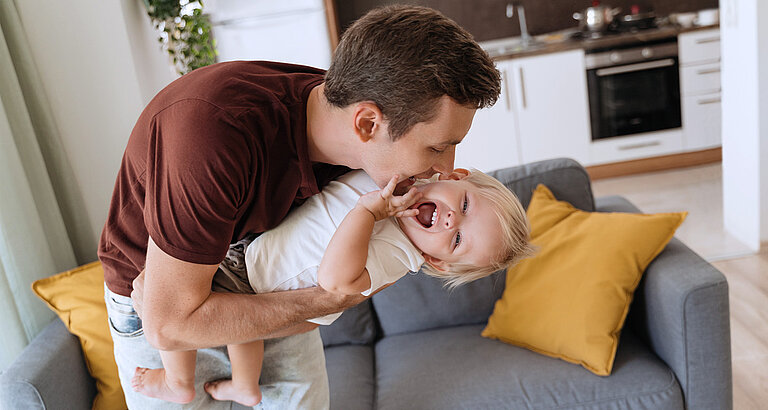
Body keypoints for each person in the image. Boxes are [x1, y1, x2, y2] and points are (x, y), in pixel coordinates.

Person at [99, 4, 501, 408]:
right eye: (438, 146)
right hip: (162, 298)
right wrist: (330, 300)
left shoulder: (353, 123)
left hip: (261, 278)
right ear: (367, 124)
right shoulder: (212, 139)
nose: (443, 168)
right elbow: (168, 325)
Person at [131, 169, 533, 406]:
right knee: (243, 325)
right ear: (455, 175)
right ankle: (245, 384)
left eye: (458, 240)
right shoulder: (403, 175)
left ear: (437, 261)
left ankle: (178, 383)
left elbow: (335, 283)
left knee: (161, 291)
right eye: (463, 206)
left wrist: (367, 212)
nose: (450, 222)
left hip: (256, 275)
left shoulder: (399, 253)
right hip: (256, 269)